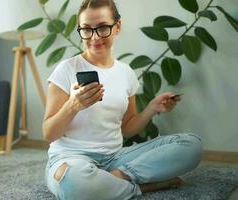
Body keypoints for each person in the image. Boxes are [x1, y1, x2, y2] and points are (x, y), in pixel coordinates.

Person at [42, 0, 202, 199]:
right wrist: (73, 105)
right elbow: (49, 133)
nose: (94, 37)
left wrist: (152, 108)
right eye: (86, 30)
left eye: (102, 27)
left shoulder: (126, 73)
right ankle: (140, 187)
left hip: (116, 158)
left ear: (117, 26)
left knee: (191, 145)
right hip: (71, 158)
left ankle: (117, 178)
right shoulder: (66, 69)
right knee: (70, 182)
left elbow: (127, 127)